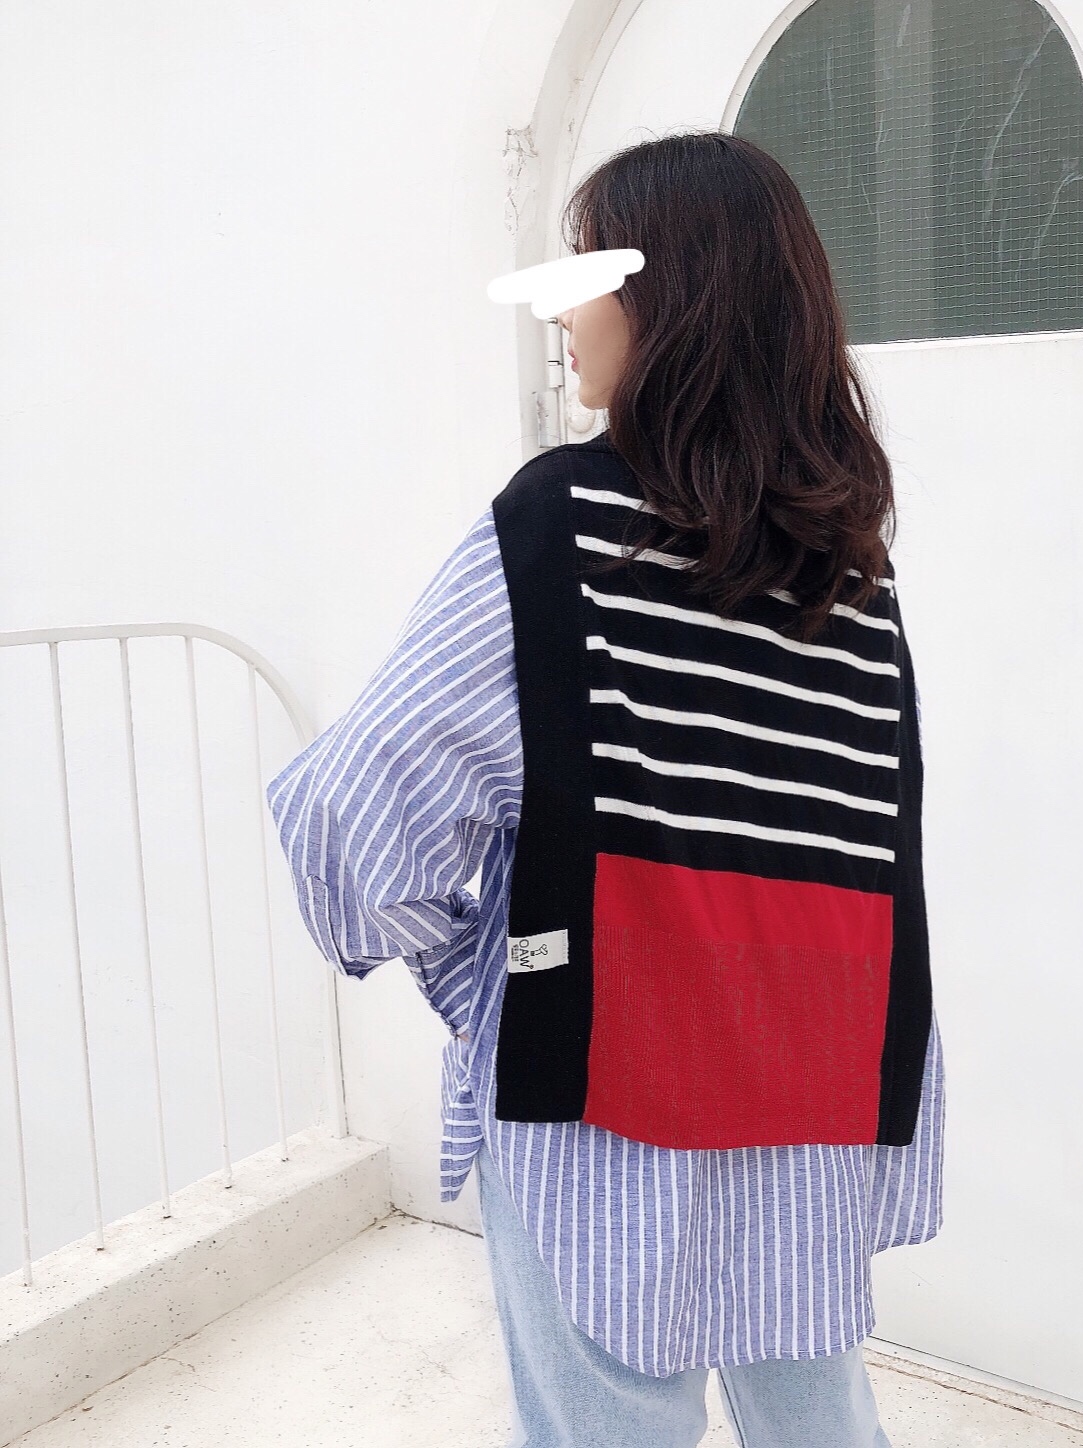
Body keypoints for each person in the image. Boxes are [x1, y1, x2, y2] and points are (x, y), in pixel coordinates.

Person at [267, 129, 945, 1448]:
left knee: (609, 1428)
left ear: (673, 295)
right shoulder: (854, 573)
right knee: (816, 1413)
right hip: (816, 1063)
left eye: (587, 275)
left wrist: (471, 970)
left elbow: (354, 816)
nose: (564, 313)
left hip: (609, 1081)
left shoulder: (558, 528)